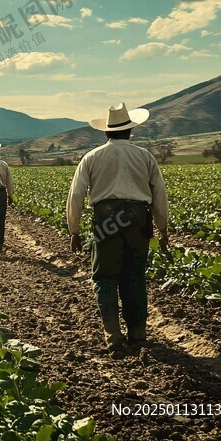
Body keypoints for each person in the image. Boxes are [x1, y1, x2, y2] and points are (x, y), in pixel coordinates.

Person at [67, 103, 169, 351]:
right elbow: (159, 194)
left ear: (106, 132)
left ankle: (113, 334)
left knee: (105, 276)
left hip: (106, 218)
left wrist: (74, 230)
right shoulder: (145, 156)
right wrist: (163, 228)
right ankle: (138, 333)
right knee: (134, 276)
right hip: (137, 217)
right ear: (130, 131)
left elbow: (76, 195)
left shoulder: (91, 157)